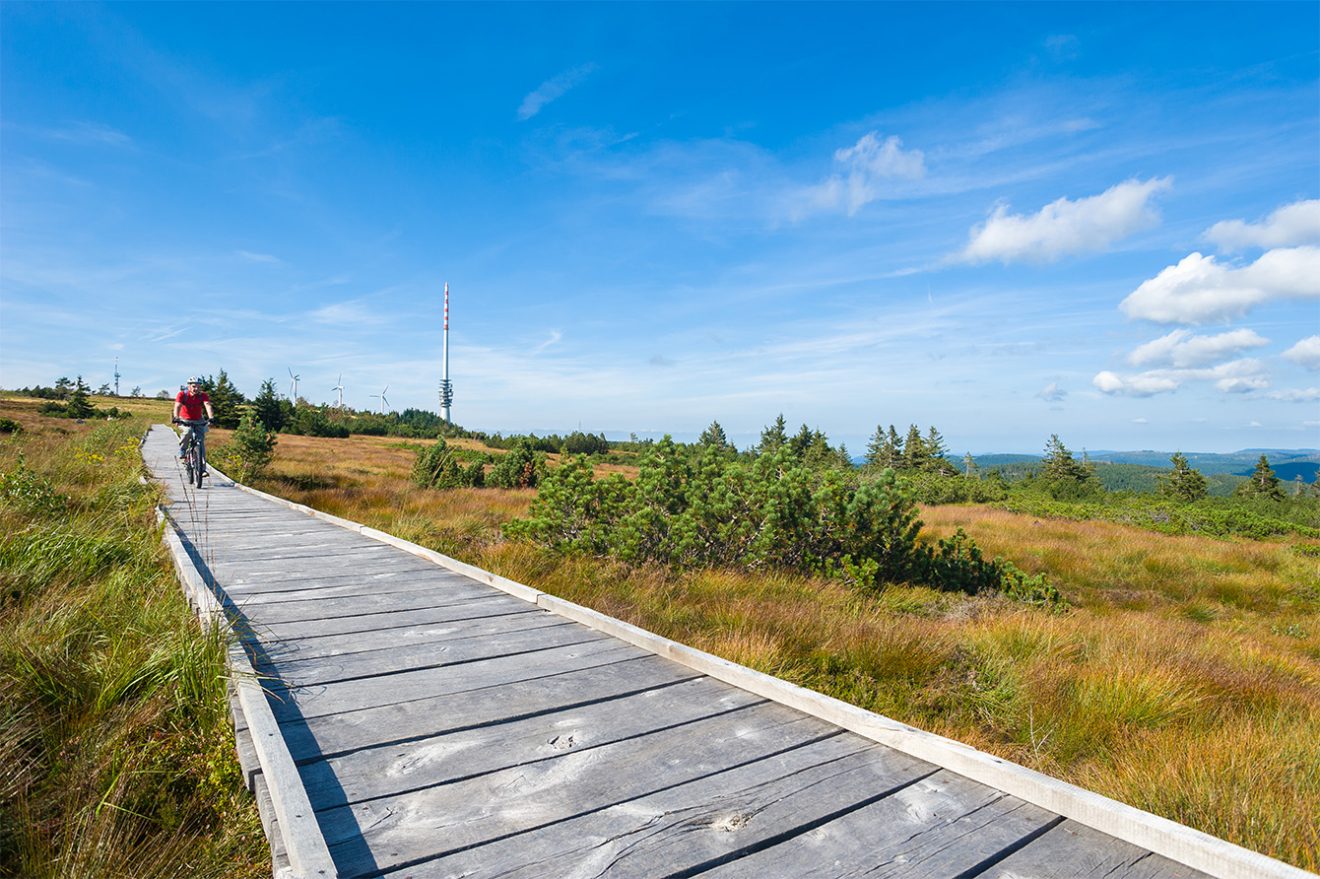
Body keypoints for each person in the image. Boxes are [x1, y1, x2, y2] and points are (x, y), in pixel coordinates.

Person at [173, 377, 214, 473]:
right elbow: (177, 406)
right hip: (184, 419)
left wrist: (211, 418)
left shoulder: (203, 395)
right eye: (194, 386)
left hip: (198, 420)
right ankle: (183, 450)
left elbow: (207, 405)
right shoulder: (182, 394)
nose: (196, 389)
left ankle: (202, 470)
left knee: (201, 443)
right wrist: (176, 417)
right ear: (189, 386)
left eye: (198, 387)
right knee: (188, 432)